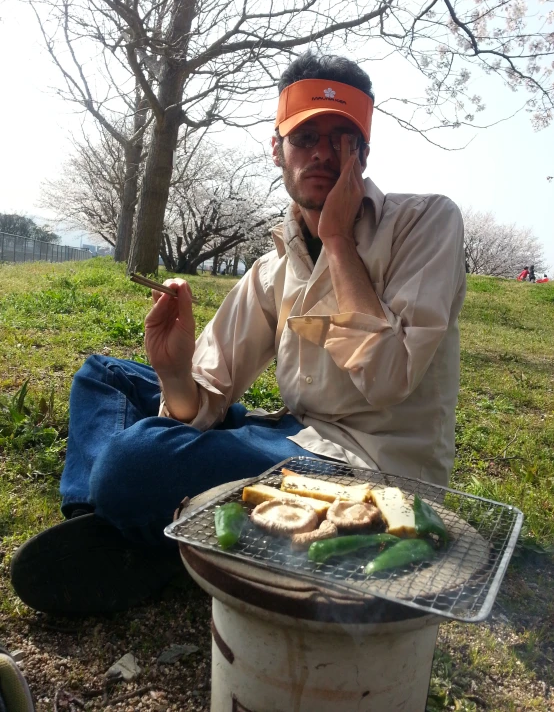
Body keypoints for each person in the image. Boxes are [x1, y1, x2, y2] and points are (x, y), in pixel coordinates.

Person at [11, 52, 466, 616]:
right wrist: (175, 371)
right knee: (104, 378)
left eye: (343, 138)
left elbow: (389, 377)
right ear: (277, 149)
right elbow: (202, 400)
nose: (323, 152)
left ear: (364, 153)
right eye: (306, 137)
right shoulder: (274, 267)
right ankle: (105, 529)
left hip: (364, 468)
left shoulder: (426, 223)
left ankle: (128, 521)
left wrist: (340, 241)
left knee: (134, 462)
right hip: (291, 436)